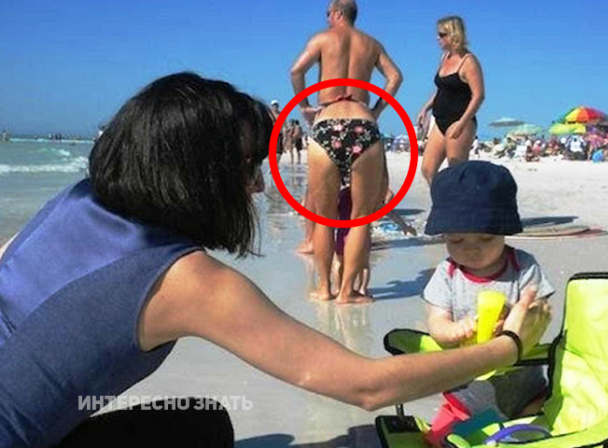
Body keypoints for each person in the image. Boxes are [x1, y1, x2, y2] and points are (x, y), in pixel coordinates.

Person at [0, 72, 552, 448]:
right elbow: (367, 387)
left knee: (201, 427)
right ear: (195, 172)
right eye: (246, 166)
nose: (257, 185)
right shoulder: (182, 280)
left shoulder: (72, 201)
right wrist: (509, 345)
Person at [420, 161, 555, 446]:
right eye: (457, 240)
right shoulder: (447, 274)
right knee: (438, 440)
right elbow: (436, 322)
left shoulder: (523, 266)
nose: (472, 248)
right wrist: (453, 330)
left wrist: (518, 316)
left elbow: (541, 313)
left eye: (485, 237)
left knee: (543, 434)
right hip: (465, 395)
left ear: (504, 229)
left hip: (527, 391)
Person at [290, 0, 403, 303]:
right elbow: (395, 77)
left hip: (327, 122)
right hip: (363, 122)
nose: (327, 18)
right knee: (360, 217)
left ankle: (324, 288)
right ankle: (347, 292)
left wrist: (305, 107)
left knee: (324, 217)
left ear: (338, 13)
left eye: (328, 13)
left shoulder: (322, 39)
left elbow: (296, 70)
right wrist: (376, 110)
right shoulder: (371, 44)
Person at [416, 16, 485, 185]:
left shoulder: (468, 61)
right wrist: (425, 108)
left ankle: (463, 201)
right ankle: (442, 200)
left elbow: (479, 95)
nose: (437, 38)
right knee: (427, 170)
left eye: (442, 34)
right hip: (440, 120)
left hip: (460, 120)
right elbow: (442, 89)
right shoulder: (445, 57)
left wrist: (462, 123)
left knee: (456, 172)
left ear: (454, 35)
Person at [270, 99, 286, 165]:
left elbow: (284, 125)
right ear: (271, 106)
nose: (275, 107)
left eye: (276, 105)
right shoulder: (269, 114)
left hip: (279, 134)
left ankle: (275, 164)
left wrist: (285, 136)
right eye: (274, 105)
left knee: (279, 153)